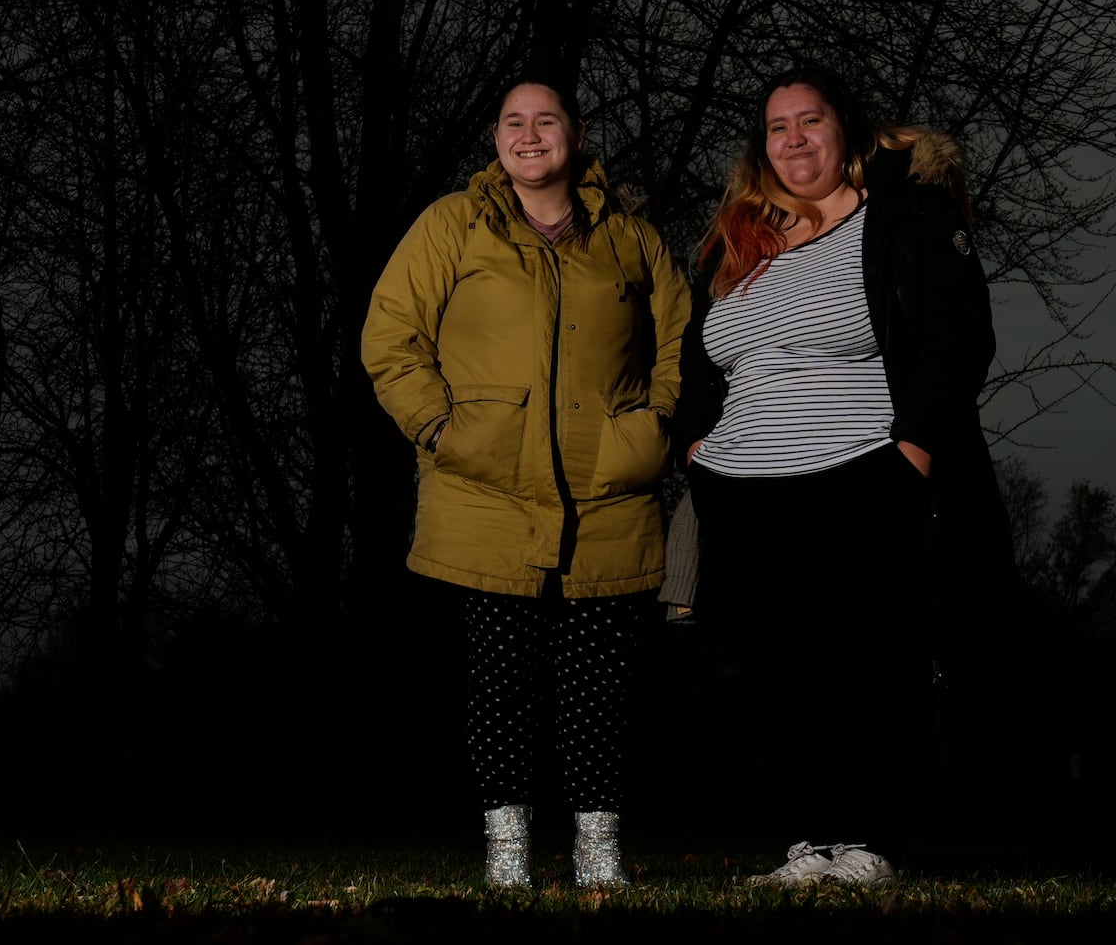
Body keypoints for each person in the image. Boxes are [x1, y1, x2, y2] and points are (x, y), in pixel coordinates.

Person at [672, 65, 1004, 886]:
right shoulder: (737, 237)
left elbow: (960, 331)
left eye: (809, 121)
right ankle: (804, 842)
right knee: (777, 662)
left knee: (868, 655)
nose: (793, 141)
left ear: (843, 130)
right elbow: (694, 364)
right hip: (744, 483)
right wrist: (696, 449)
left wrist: (915, 449)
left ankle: (867, 840)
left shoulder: (900, 215)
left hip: (860, 468)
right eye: (777, 127)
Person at [361, 76, 691, 888]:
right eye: (514, 121)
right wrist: (440, 426)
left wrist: (651, 427)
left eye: (547, 120)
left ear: (576, 135)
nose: (530, 133)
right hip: (485, 493)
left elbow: (682, 339)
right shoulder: (451, 224)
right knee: (499, 681)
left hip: (607, 497)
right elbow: (390, 335)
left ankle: (598, 850)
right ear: (497, 140)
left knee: (599, 687)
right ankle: (507, 853)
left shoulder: (631, 237)